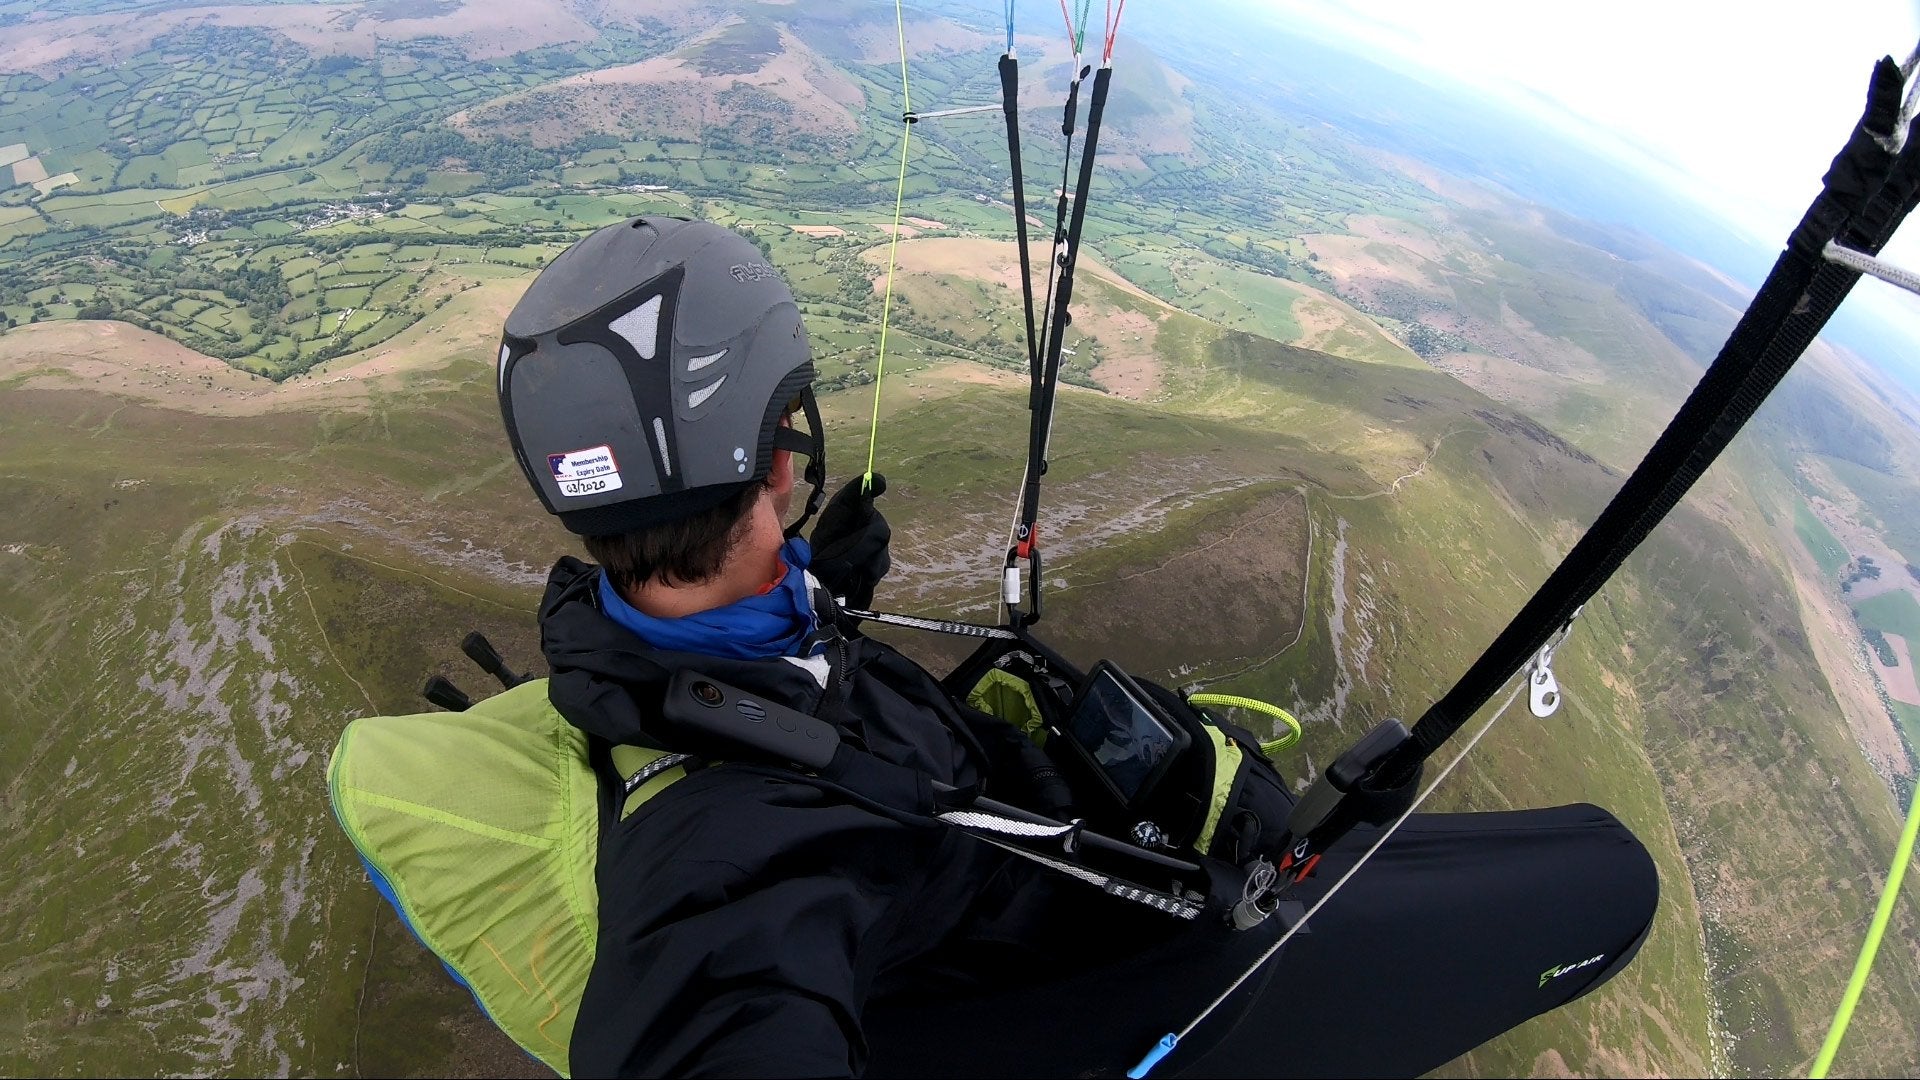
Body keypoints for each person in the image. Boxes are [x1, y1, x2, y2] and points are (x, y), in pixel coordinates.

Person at [336, 214, 1662, 1080]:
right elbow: (720, 1001)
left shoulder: (664, 658)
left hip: (1087, 875)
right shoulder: (718, 873)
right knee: (1605, 886)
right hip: (1146, 970)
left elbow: (769, 696)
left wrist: (823, 587)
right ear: (775, 456)